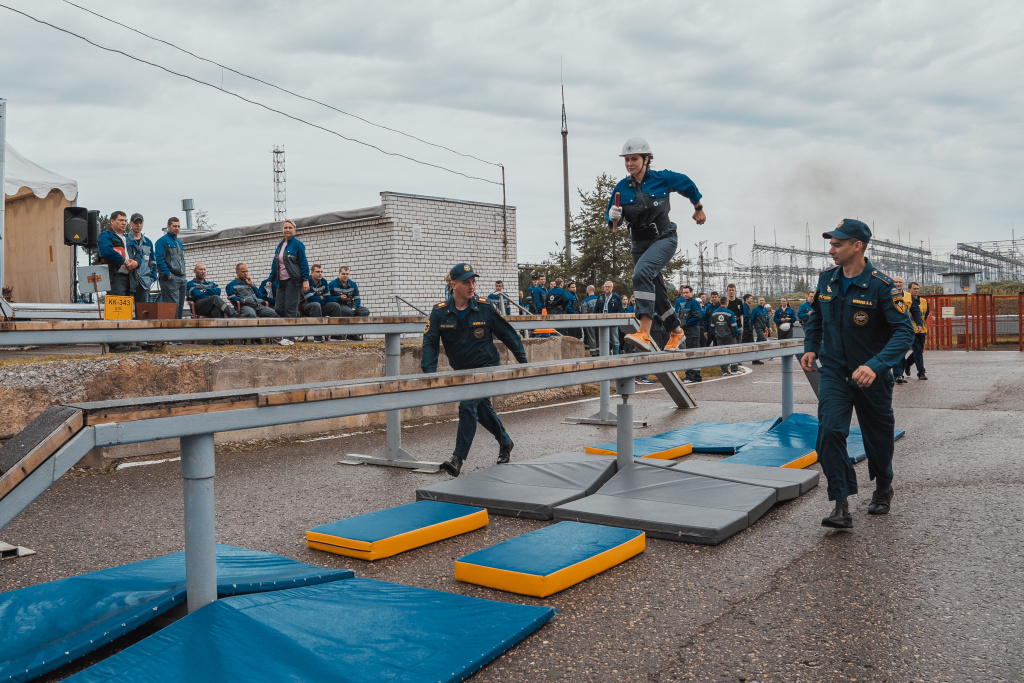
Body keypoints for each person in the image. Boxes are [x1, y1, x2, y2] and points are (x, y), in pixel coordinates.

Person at [801, 219, 914, 529]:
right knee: (830, 431)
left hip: (871, 376)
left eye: (837, 244)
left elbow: (904, 333)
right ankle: (840, 504)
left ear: (857, 246)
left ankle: (883, 485)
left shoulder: (881, 285)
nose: (831, 249)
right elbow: (816, 319)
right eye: (831, 243)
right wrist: (811, 346)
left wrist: (876, 365)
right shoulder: (826, 280)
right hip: (835, 372)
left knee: (878, 440)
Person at [422, 263, 527, 477]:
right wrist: (429, 374)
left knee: (468, 406)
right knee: (481, 410)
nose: (472, 286)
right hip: (462, 371)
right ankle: (505, 442)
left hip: (487, 367)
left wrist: (524, 362)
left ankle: (457, 458)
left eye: (473, 282)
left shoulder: (485, 307)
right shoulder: (439, 312)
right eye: (466, 283)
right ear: (453, 285)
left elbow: (508, 334)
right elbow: (430, 342)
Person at [606, 137, 704, 353]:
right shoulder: (622, 187)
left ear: (647, 159)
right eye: (627, 160)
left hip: (663, 238)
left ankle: (644, 332)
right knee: (657, 290)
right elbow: (613, 219)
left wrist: (698, 206)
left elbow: (686, 183)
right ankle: (677, 332)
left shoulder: (662, 178)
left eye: (634, 159)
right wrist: (612, 216)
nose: (630, 163)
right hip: (639, 243)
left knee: (641, 274)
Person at [269, 219, 310, 318]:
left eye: (290, 228)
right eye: (285, 227)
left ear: (294, 230)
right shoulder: (280, 245)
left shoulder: (297, 244)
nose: (288, 230)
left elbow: (303, 262)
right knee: (278, 309)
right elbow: (275, 264)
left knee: (290, 309)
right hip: (281, 282)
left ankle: (292, 332)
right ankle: (295, 321)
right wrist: (271, 279)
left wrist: (305, 279)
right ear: (282, 230)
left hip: (293, 281)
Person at [97, 211, 136, 297]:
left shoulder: (129, 239)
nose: (124, 223)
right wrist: (124, 261)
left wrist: (136, 263)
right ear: (112, 221)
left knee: (129, 308)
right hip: (115, 277)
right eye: (121, 220)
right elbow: (106, 252)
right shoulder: (105, 236)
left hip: (130, 278)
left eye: (125, 221)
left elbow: (137, 254)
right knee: (117, 308)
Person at [154, 217, 187, 319]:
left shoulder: (179, 243)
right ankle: (172, 332)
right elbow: (159, 258)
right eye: (174, 226)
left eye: (178, 226)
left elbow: (182, 260)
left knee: (180, 308)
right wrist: (168, 274)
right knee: (173, 308)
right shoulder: (162, 241)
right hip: (170, 278)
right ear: (168, 227)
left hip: (181, 278)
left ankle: (179, 331)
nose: (177, 228)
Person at [126, 213, 155, 308]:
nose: (138, 225)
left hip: (144, 282)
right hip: (128, 281)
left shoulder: (148, 242)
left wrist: (152, 278)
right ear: (130, 223)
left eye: (140, 223)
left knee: (142, 311)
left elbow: (152, 261)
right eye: (136, 222)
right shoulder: (124, 239)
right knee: (126, 311)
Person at [677, 285, 703, 382]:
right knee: (693, 354)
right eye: (684, 293)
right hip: (688, 332)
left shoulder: (694, 303)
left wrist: (686, 324)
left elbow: (697, 316)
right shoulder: (685, 304)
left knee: (690, 354)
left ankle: (690, 376)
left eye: (687, 292)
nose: (685, 294)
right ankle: (696, 376)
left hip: (693, 332)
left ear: (691, 293)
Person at [891, 277, 913, 384]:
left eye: (900, 282)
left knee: (901, 350)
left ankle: (898, 374)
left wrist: (918, 322)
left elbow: (915, 309)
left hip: (904, 326)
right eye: (896, 282)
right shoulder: (887, 294)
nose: (898, 284)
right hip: (890, 326)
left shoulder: (909, 296)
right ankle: (894, 374)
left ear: (903, 284)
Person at [709, 296, 739, 375]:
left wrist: (715, 334)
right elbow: (734, 326)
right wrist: (736, 333)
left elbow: (712, 326)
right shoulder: (730, 313)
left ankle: (724, 371)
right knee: (733, 352)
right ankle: (734, 370)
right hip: (729, 336)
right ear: (727, 303)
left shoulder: (714, 313)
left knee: (722, 353)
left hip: (719, 336)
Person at [905, 282, 929, 380]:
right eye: (914, 289)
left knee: (919, 351)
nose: (916, 290)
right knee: (917, 350)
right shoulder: (907, 300)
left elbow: (926, 313)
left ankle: (907, 363)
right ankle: (921, 372)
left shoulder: (923, 301)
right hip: (911, 330)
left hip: (922, 330)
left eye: (917, 289)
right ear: (909, 289)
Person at [595, 281, 623, 354]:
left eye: (609, 287)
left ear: (612, 288)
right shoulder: (600, 296)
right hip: (602, 321)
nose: (607, 288)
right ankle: (605, 355)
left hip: (613, 321)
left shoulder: (616, 297)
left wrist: (617, 318)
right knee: (604, 340)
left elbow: (620, 309)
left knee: (615, 340)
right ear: (603, 287)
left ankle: (616, 355)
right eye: (606, 287)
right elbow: (596, 309)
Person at [724, 284, 745, 373]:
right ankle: (729, 362)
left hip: (738, 326)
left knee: (738, 344)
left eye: (733, 290)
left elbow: (741, 315)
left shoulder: (739, 302)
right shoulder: (725, 302)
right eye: (730, 290)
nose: (731, 292)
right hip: (728, 327)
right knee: (729, 344)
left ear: (735, 291)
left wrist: (742, 326)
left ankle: (737, 360)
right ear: (727, 291)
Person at [751, 296, 771, 364]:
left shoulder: (765, 309)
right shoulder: (755, 309)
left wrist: (769, 327)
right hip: (758, 328)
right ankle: (771, 353)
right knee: (764, 340)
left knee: (758, 343)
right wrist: (752, 326)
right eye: (760, 300)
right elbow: (752, 319)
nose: (761, 301)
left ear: (764, 301)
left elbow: (767, 318)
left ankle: (755, 359)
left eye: (762, 300)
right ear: (758, 301)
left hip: (763, 327)